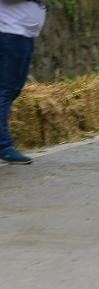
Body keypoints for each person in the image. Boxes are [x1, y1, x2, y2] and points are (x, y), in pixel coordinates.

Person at [0, 0, 46, 165]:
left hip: (19, 33)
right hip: (9, 32)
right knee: (5, 89)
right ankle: (3, 146)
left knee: (11, 89)